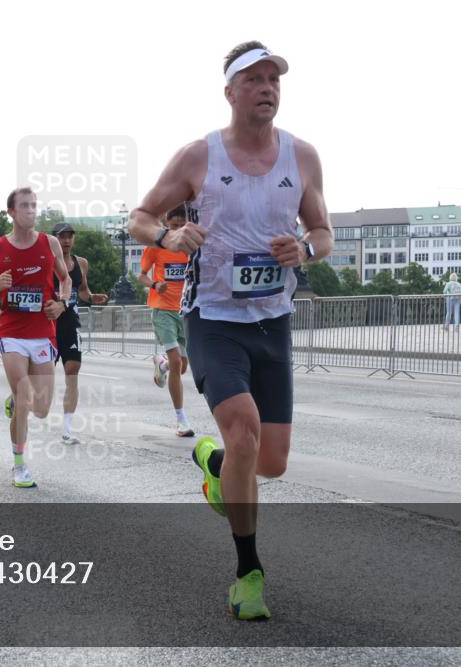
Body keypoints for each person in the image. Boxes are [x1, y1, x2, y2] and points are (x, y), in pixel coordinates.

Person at [127, 41, 333, 621]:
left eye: (274, 79)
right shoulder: (198, 156)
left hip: (274, 321)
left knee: (271, 464)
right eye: (255, 79)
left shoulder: (304, 157)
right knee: (244, 433)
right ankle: (248, 573)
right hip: (213, 320)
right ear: (231, 92)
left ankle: (216, 468)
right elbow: (139, 217)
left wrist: (306, 251)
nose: (268, 87)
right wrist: (167, 237)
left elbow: (323, 231)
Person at [0, 187, 71, 489]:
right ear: (11, 212)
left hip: (43, 334)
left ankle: (15, 399)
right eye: (24, 206)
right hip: (11, 332)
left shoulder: (50, 244)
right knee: (27, 400)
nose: (30, 210)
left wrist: (61, 303)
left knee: (41, 408)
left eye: (34, 205)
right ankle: (19, 465)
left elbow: (65, 280)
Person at [139, 205, 196, 437]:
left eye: (182, 226)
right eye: (174, 227)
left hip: (185, 310)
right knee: (176, 362)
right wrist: (154, 284)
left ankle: (160, 364)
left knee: (181, 367)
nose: (178, 231)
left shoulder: (191, 247)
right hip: (162, 310)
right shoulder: (156, 246)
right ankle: (181, 420)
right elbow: (141, 275)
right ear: (165, 223)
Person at [50, 222, 108, 444]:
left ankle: (66, 430)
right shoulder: (46, 262)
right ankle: (17, 397)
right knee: (41, 378)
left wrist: (92, 298)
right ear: (54, 239)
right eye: (61, 236)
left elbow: (82, 290)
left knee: (72, 369)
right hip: (48, 324)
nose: (66, 241)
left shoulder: (81, 263)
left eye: (69, 236)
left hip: (70, 323)